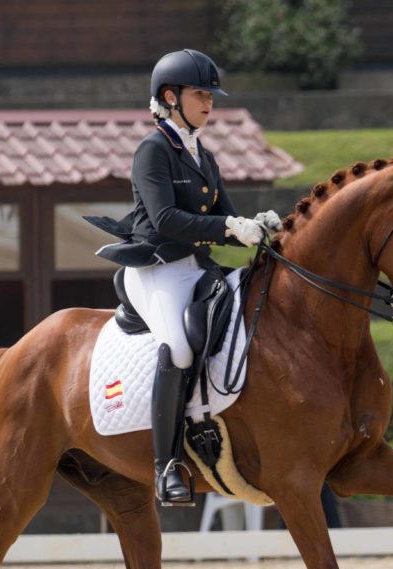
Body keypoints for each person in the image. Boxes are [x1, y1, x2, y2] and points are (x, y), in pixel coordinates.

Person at [87, 49, 281, 506]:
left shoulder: (203, 156)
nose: (209, 103)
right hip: (155, 269)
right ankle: (166, 465)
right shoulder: (152, 150)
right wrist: (228, 228)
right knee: (176, 347)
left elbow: (226, 220)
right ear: (170, 97)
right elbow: (168, 219)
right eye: (200, 94)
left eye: (210, 95)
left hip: (196, 269)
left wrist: (262, 227)